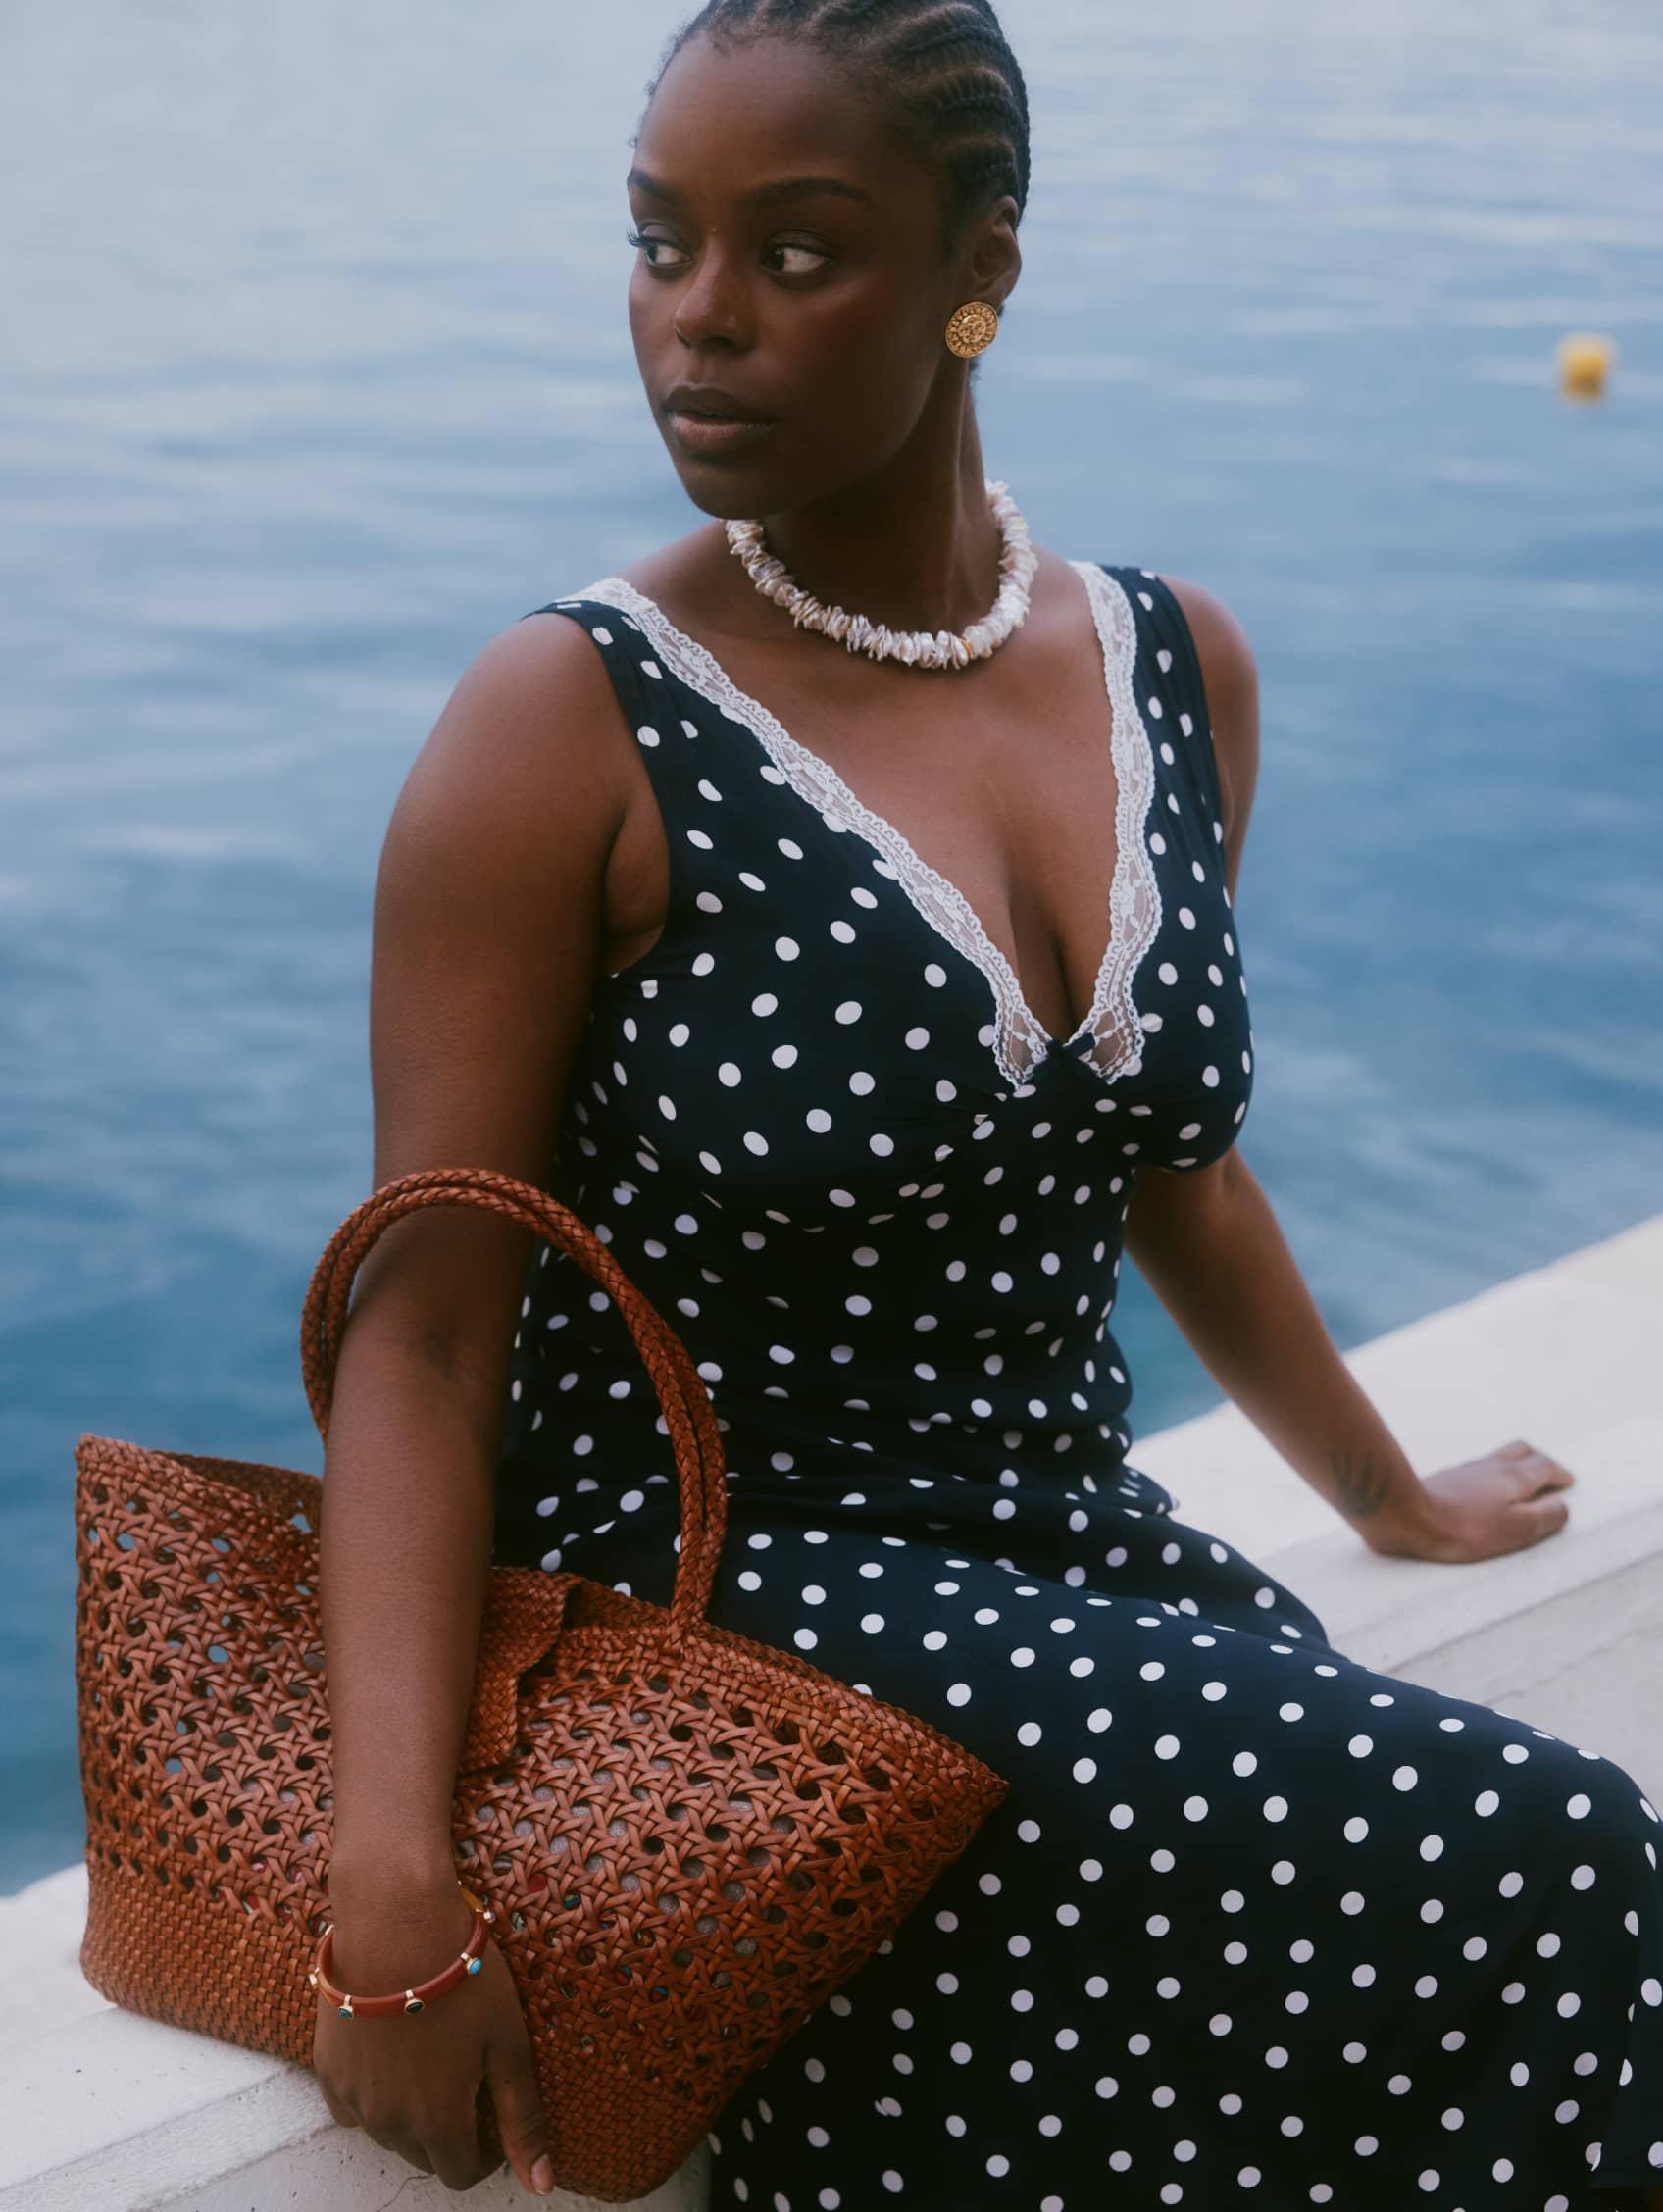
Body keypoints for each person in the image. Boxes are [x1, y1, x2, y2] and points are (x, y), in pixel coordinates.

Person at [310, 3, 1663, 2205]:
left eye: (794, 253)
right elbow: (429, 1330)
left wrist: (1384, 1490)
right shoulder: (565, 721)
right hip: (730, 1596)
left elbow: (1173, 1179)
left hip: (1063, 1545)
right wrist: (391, 1878)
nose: (698, 319)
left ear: (979, 273)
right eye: (658, 243)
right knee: (1552, 1853)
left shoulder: (1167, 666)